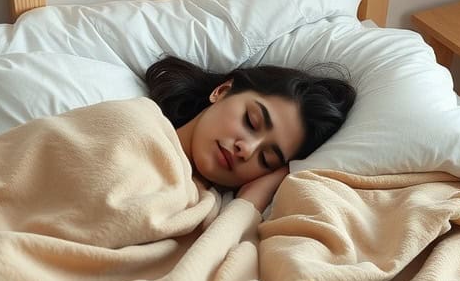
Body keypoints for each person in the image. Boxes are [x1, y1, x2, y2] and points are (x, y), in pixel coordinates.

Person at [145, 56, 356, 213]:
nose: (246, 149)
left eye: (266, 159)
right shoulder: (133, 122)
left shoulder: (212, 210)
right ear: (222, 91)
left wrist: (254, 199)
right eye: (251, 122)